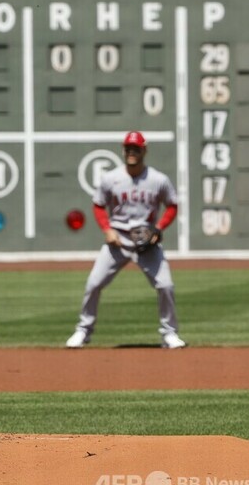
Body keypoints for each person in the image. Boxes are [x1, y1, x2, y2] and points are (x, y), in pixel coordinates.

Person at [65, 131, 186, 349]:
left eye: (136, 148)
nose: (131, 152)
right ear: (124, 150)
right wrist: (107, 229)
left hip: (147, 243)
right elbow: (99, 204)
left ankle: (169, 333)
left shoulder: (158, 179)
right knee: (94, 283)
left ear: (144, 150)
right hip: (117, 241)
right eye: (128, 148)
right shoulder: (111, 178)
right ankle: (83, 331)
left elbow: (172, 205)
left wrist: (159, 228)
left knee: (166, 285)